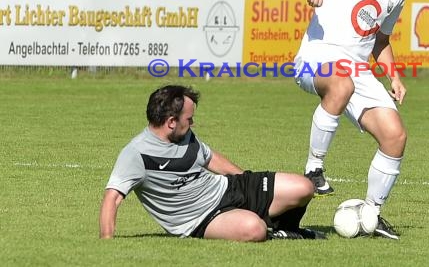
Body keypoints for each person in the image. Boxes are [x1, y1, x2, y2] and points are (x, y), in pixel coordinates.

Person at [292, 0, 424, 240]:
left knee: (395, 136)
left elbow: (381, 41)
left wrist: (394, 76)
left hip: (358, 70)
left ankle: (371, 214)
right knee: (341, 84)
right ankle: (314, 169)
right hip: (317, 58)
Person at [99, 85, 324, 241]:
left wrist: (247, 180)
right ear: (170, 122)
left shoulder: (183, 134)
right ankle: (275, 232)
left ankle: (287, 229)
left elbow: (211, 158)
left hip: (227, 188)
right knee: (254, 229)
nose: (193, 123)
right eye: (189, 119)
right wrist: (107, 242)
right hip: (203, 219)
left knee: (304, 187)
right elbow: (113, 198)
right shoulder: (136, 153)